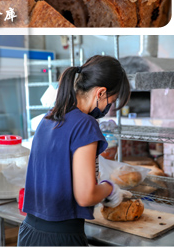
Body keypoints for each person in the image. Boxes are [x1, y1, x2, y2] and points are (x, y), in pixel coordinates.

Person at [18, 55, 132, 246]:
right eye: (111, 101)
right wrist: (109, 188)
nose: (108, 108)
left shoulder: (49, 118)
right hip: (59, 239)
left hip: (29, 233)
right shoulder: (85, 124)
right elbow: (85, 196)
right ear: (101, 93)